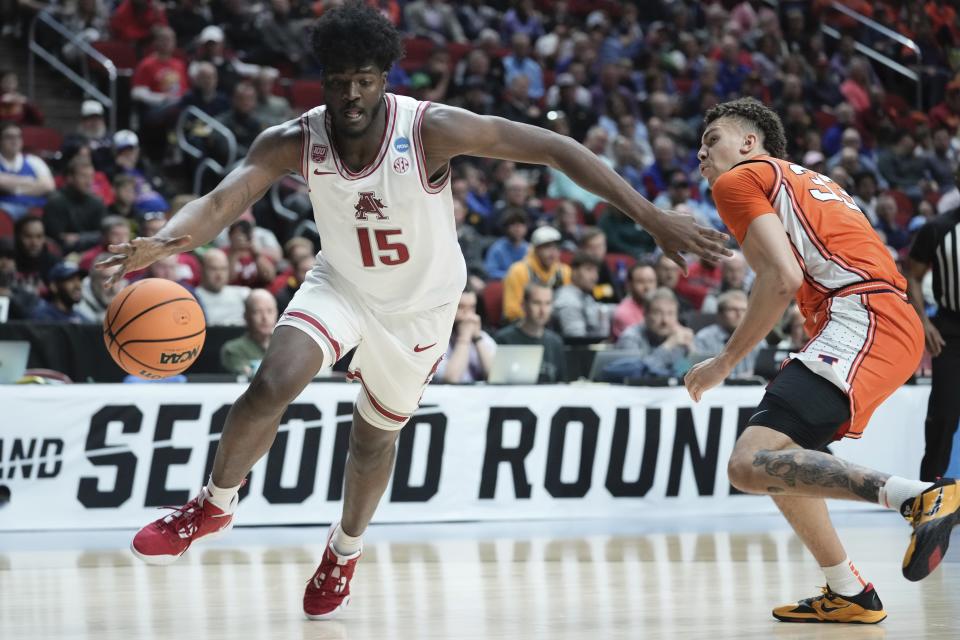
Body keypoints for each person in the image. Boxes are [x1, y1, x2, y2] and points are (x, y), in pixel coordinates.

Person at [98, 1, 728, 622]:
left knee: (372, 440)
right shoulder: (294, 139)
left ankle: (343, 553)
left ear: (385, 79)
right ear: (323, 81)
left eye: (364, 81)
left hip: (422, 308)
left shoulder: (429, 129)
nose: (351, 94)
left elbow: (554, 148)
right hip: (341, 284)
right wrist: (166, 241)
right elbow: (218, 201)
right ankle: (213, 504)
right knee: (272, 381)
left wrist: (650, 216)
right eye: (340, 81)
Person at [683, 97, 957, 624]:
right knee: (781, 460)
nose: (701, 152)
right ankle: (848, 590)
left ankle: (919, 497)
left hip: (863, 318)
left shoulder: (739, 179)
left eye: (711, 139)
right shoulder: (807, 179)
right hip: (880, 320)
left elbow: (780, 278)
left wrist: (724, 361)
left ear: (748, 142)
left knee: (747, 465)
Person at [906, 177, 960, 481]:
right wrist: (923, 322)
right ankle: (929, 492)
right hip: (951, 329)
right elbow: (911, 274)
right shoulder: (938, 228)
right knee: (943, 415)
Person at [493, 283, 566, 383]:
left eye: (548, 303)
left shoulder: (555, 342)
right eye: (536, 303)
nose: (542, 310)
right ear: (524, 305)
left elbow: (560, 382)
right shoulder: (504, 339)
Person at [502, 226, 572, 323]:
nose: (552, 253)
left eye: (556, 247)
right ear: (535, 249)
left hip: (556, 325)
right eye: (547, 247)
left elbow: (569, 304)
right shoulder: (518, 271)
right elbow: (512, 312)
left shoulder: (564, 272)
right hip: (525, 325)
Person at [692, 290, 761, 378]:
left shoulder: (757, 337)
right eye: (733, 310)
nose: (739, 314)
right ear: (720, 314)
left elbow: (764, 369)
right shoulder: (704, 338)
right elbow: (698, 371)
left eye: (744, 310)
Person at [436, 287, 496, 383]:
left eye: (472, 307)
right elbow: (451, 379)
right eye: (461, 307)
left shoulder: (483, 337)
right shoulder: (435, 340)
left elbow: (495, 377)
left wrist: (477, 339)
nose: (468, 314)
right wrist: (464, 338)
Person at [0, 122, 55, 220]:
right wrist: (30, 181)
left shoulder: (34, 160)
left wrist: (13, 189)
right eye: (9, 137)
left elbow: (48, 186)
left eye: (18, 137)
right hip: (6, 209)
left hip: (36, 207)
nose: (15, 141)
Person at [552, 252, 612, 339]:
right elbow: (577, 341)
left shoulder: (585, 296)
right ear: (574, 272)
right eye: (589, 270)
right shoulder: (568, 299)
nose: (594, 276)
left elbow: (608, 310)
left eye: (596, 271)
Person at [220, 289, 278, 377]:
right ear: (246, 316)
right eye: (257, 312)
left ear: (276, 314)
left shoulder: (286, 346)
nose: (265, 318)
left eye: (269, 311)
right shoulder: (233, 349)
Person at [193, 248, 250, 326]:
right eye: (213, 269)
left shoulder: (244, 294)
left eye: (223, 269)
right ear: (201, 270)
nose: (219, 275)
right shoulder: (193, 298)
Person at [612, 262, 656, 339]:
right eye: (641, 281)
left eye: (651, 281)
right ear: (629, 285)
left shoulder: (660, 307)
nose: (647, 287)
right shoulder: (623, 313)